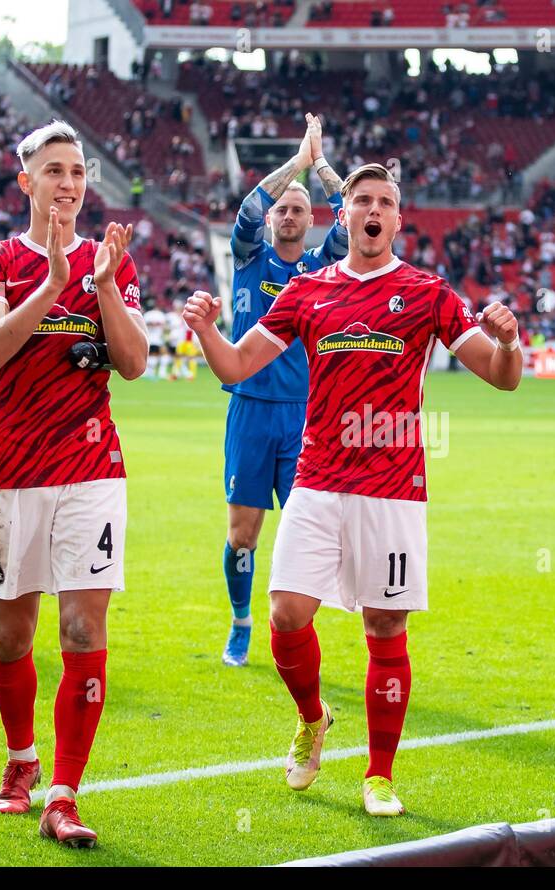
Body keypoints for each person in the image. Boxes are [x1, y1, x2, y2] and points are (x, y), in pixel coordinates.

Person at [182, 162, 522, 816]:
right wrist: (203, 331)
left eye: (384, 201)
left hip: (393, 490)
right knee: (285, 616)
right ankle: (313, 719)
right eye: (361, 199)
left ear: (397, 219)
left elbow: (500, 377)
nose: (372, 209)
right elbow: (235, 364)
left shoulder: (428, 292)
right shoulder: (307, 294)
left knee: (385, 626)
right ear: (344, 217)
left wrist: (507, 344)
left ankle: (380, 774)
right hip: (318, 482)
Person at [0, 120, 147, 848]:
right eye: (53, 171)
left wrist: (101, 287)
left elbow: (132, 364)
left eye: (77, 171)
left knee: (82, 628)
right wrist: (51, 285)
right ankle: (20, 762)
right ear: (26, 181)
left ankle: (64, 794)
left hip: (90, 471)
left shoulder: (113, 264)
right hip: (10, 471)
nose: (69, 184)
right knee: (12, 637)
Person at [219, 112, 348, 667]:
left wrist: (319, 164)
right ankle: (242, 621)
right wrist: (295, 164)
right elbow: (248, 206)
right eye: (282, 209)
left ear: (310, 218)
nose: (288, 214)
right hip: (250, 410)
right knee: (243, 533)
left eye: (299, 208)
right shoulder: (249, 256)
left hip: (306, 416)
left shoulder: (324, 266)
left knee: (304, 534)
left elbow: (355, 210)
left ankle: (291, 634)